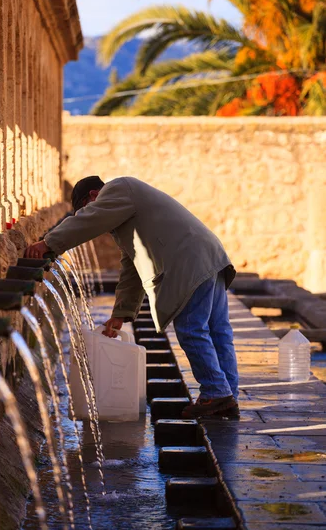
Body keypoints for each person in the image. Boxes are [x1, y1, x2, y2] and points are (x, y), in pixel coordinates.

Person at [25, 176, 239, 419]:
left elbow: (88, 221)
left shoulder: (119, 188)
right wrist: (121, 314)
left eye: (87, 207)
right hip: (210, 256)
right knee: (218, 330)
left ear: (94, 196)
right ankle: (228, 395)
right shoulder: (128, 211)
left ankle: (216, 392)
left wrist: (48, 244)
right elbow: (133, 266)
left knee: (191, 329)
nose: (91, 212)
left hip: (190, 261)